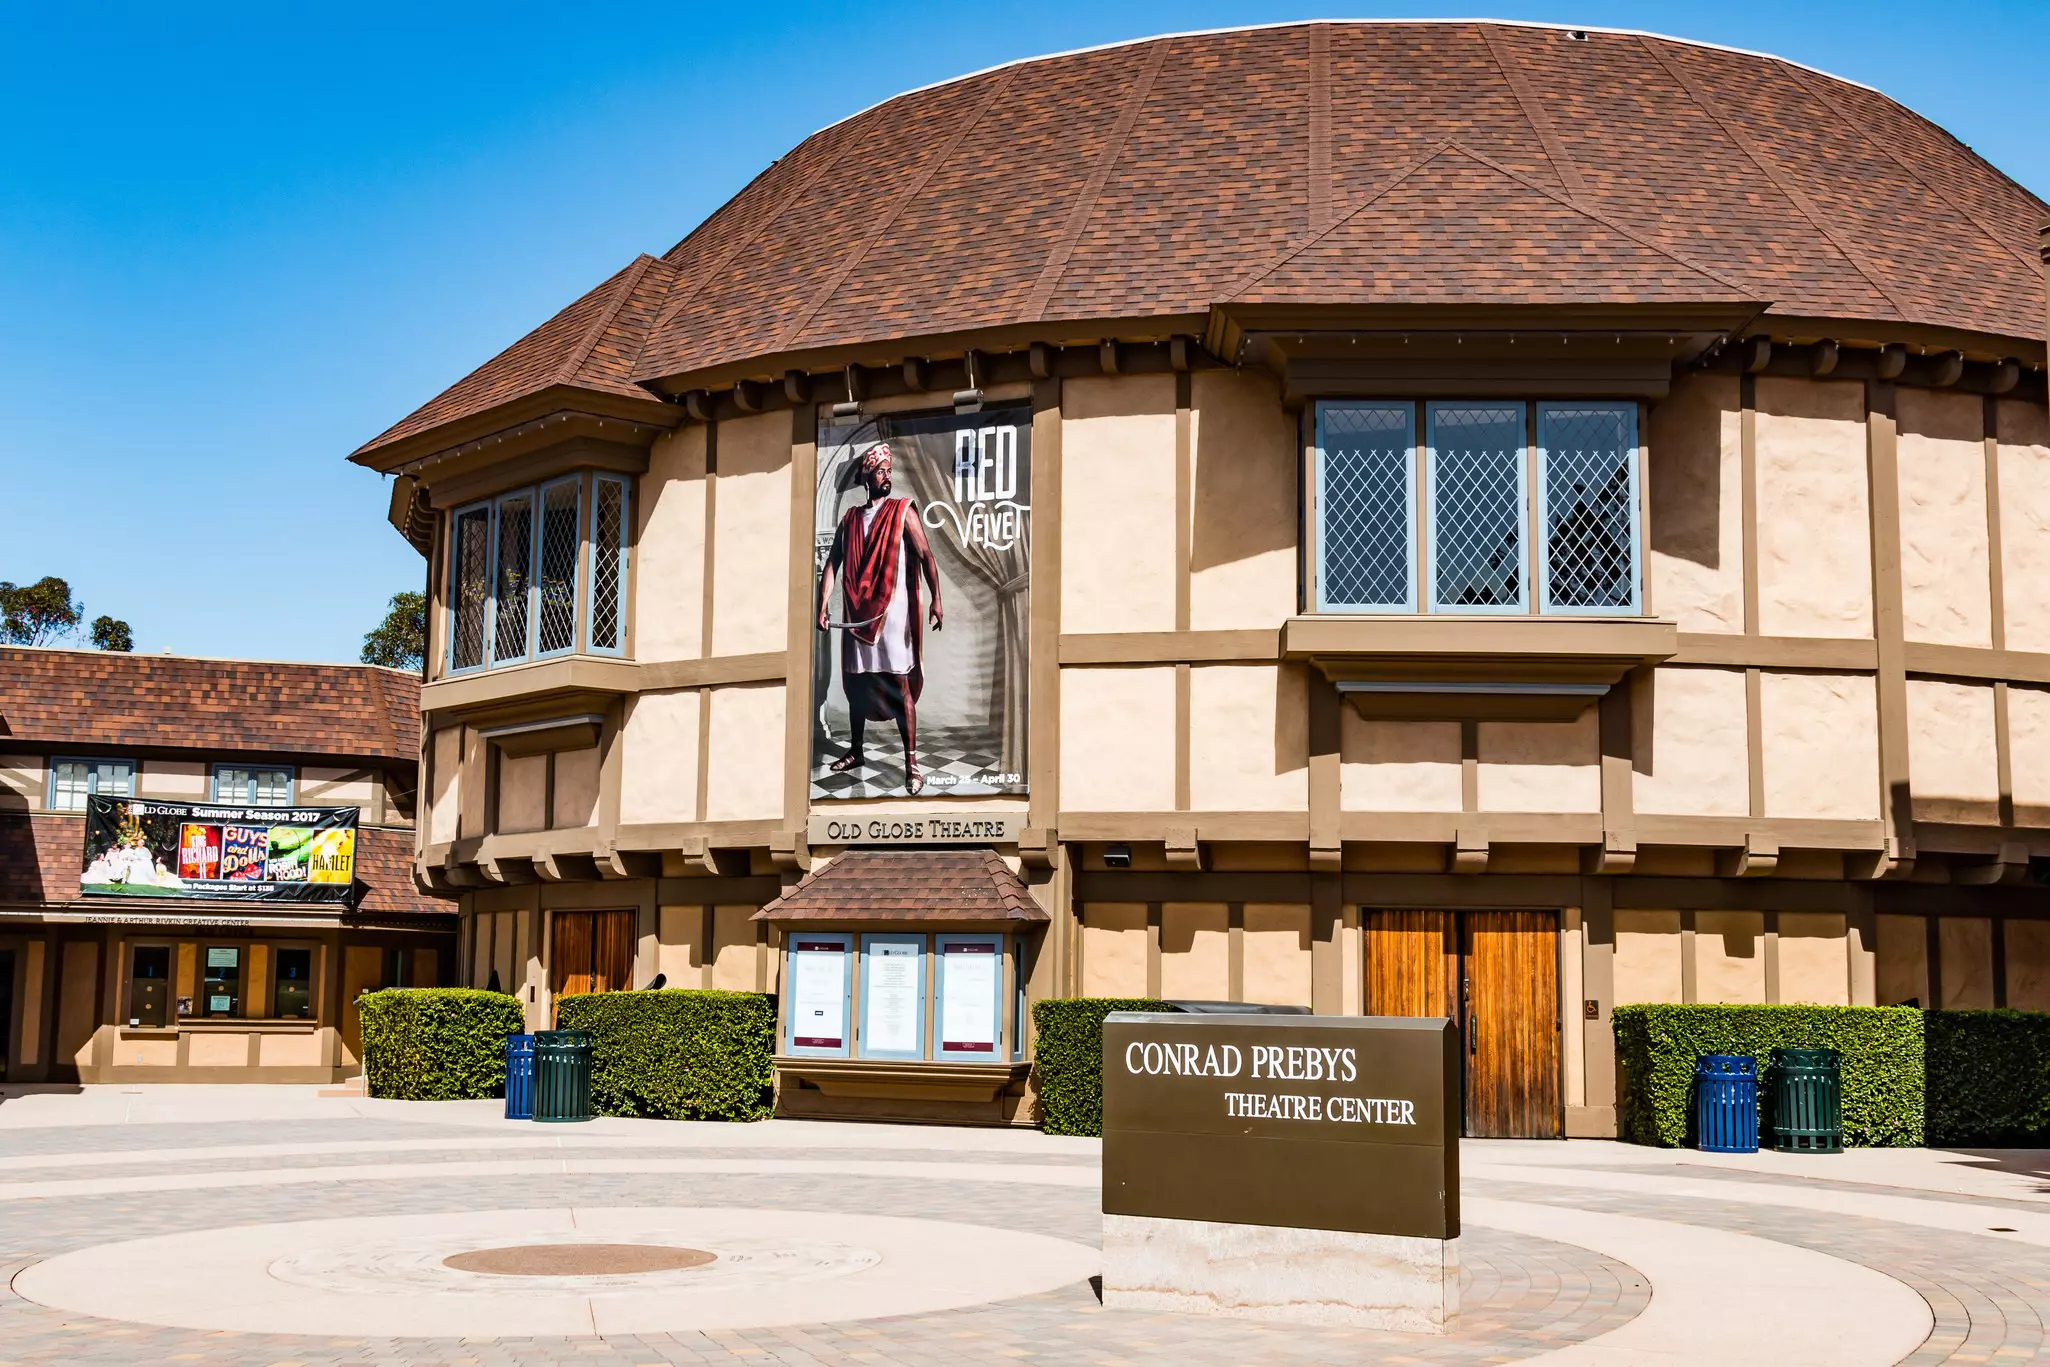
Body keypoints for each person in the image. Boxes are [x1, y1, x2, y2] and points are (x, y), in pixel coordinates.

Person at [816, 443, 944, 793]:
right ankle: (856, 751)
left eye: (889, 471)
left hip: (892, 615)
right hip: (857, 615)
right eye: (880, 471)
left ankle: (912, 764)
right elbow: (832, 565)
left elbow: (926, 555)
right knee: (858, 685)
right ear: (867, 477)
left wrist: (936, 599)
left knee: (898, 685)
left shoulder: (902, 511)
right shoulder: (851, 519)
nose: (887, 476)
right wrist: (824, 604)